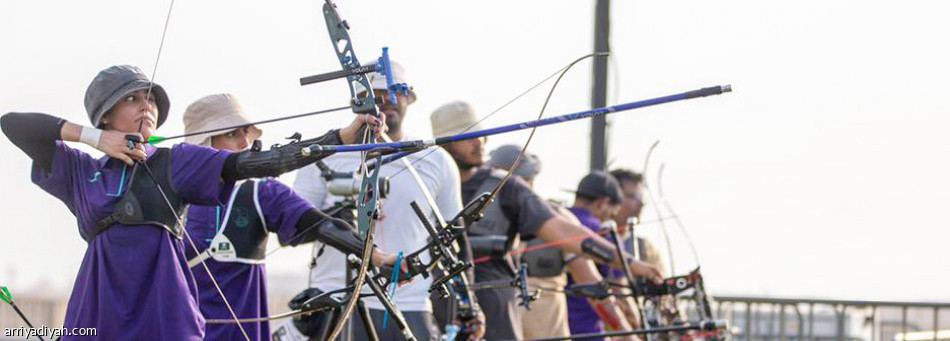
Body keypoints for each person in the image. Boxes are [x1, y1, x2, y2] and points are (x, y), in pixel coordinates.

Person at [0, 65, 382, 340]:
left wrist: (343, 136)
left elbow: (257, 162)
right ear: (105, 115)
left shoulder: (175, 161)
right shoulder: (81, 171)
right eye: (131, 98)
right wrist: (92, 138)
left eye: (149, 98)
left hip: (166, 318)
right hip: (98, 315)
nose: (146, 105)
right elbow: (13, 123)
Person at [430, 100, 663, 341]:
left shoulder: (507, 188)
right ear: (444, 143)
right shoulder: (425, 185)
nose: (479, 142)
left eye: (482, 134)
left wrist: (630, 264)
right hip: (435, 313)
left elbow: (567, 234)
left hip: (497, 317)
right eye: (468, 136)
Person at [180, 94, 395, 341]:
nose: (244, 143)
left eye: (246, 133)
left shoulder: (262, 192)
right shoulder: (170, 192)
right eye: (231, 135)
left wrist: (376, 256)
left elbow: (320, 224)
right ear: (204, 142)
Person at [294, 62, 478, 341]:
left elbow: (456, 240)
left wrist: (469, 305)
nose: (386, 102)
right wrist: (339, 217)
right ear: (357, 101)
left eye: (395, 94)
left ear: (409, 98)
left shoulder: (436, 159)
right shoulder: (323, 154)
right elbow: (294, 230)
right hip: (335, 301)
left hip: (410, 305)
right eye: (375, 96)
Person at [484, 146, 637, 341]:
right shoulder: (474, 221)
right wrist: (627, 334)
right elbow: (594, 288)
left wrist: (627, 335)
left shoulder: (556, 219)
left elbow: (592, 285)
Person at [564, 171, 644, 341]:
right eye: (611, 212)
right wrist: (636, 326)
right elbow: (620, 292)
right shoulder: (604, 234)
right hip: (587, 332)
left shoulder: (554, 224)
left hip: (549, 326)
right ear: (603, 203)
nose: (610, 218)